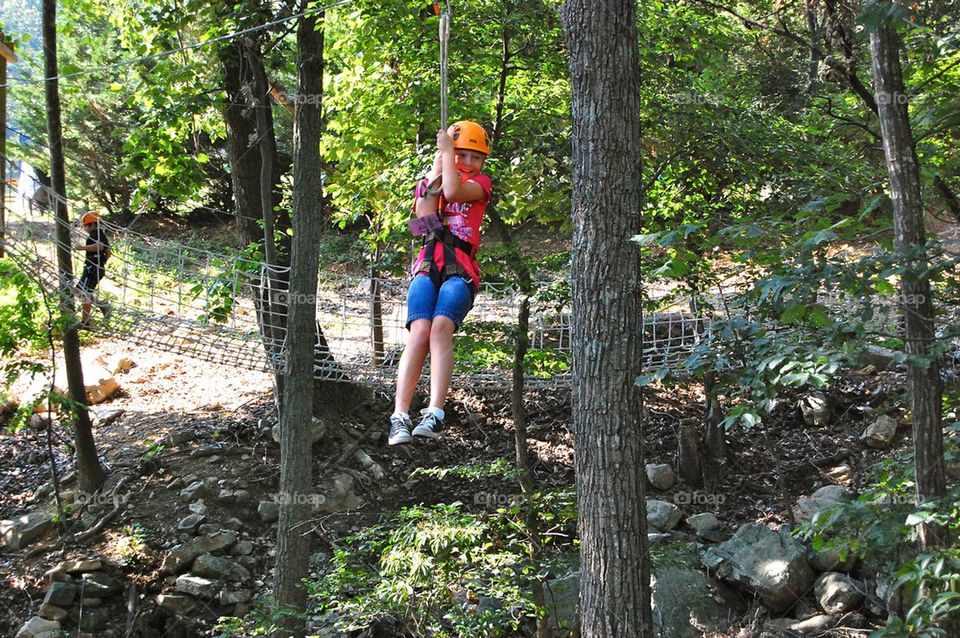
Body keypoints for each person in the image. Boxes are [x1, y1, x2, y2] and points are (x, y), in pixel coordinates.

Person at [389, 120, 492, 445]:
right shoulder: (434, 179)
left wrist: (447, 155)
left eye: (475, 157)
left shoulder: (480, 184)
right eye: (462, 155)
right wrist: (433, 173)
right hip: (427, 266)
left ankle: (434, 412)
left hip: (460, 272)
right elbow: (420, 224)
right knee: (418, 332)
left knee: (440, 328)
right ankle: (400, 415)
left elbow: (454, 191)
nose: (468, 162)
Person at [73, 211, 112, 328]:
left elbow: (99, 246)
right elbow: (108, 252)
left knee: (83, 293)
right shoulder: (101, 234)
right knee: (78, 291)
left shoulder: (95, 234)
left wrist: (81, 248)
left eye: (85, 225)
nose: (84, 228)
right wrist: (102, 261)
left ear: (92, 225)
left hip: (93, 268)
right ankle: (102, 305)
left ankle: (86, 322)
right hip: (95, 268)